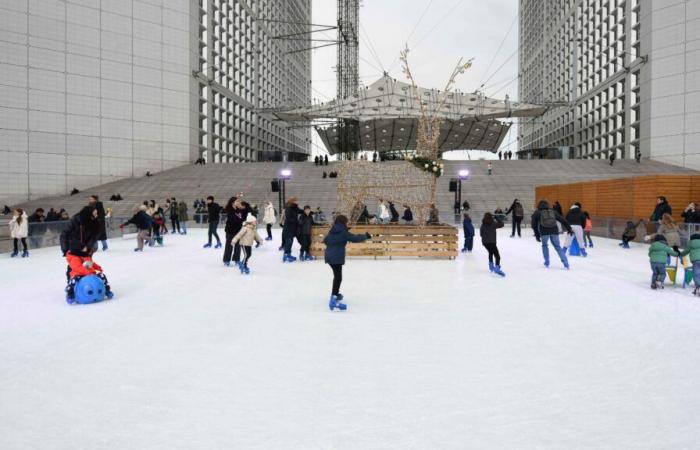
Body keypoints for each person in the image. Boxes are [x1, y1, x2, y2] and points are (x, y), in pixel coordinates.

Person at [323, 214, 371, 311]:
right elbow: (354, 238)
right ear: (344, 222)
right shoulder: (343, 232)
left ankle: (336, 294)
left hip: (329, 255)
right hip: (336, 257)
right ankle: (333, 298)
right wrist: (365, 236)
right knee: (338, 277)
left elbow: (326, 240)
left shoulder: (333, 230)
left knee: (337, 276)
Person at [531, 200, 572, 269]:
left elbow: (534, 225)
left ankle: (547, 262)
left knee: (544, 245)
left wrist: (537, 235)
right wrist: (569, 229)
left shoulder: (537, 212)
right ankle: (566, 263)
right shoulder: (553, 212)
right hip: (554, 231)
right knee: (558, 247)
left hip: (544, 232)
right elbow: (563, 220)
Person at [223, 197, 247, 268]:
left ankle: (237, 259)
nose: (238, 202)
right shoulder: (229, 210)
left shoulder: (238, 210)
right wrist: (241, 221)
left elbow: (242, 218)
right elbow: (232, 220)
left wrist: (243, 221)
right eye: (237, 201)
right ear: (232, 202)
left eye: (238, 201)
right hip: (230, 230)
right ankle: (226, 260)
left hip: (238, 231)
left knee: (238, 246)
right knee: (229, 245)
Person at [282, 197, 302, 262]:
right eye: (295, 200)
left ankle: (289, 254)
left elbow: (300, 211)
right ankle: (286, 255)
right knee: (288, 241)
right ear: (292, 201)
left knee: (291, 241)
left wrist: (309, 211)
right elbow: (288, 218)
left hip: (292, 228)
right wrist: (296, 221)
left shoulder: (295, 208)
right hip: (288, 227)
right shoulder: (288, 208)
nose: (297, 201)